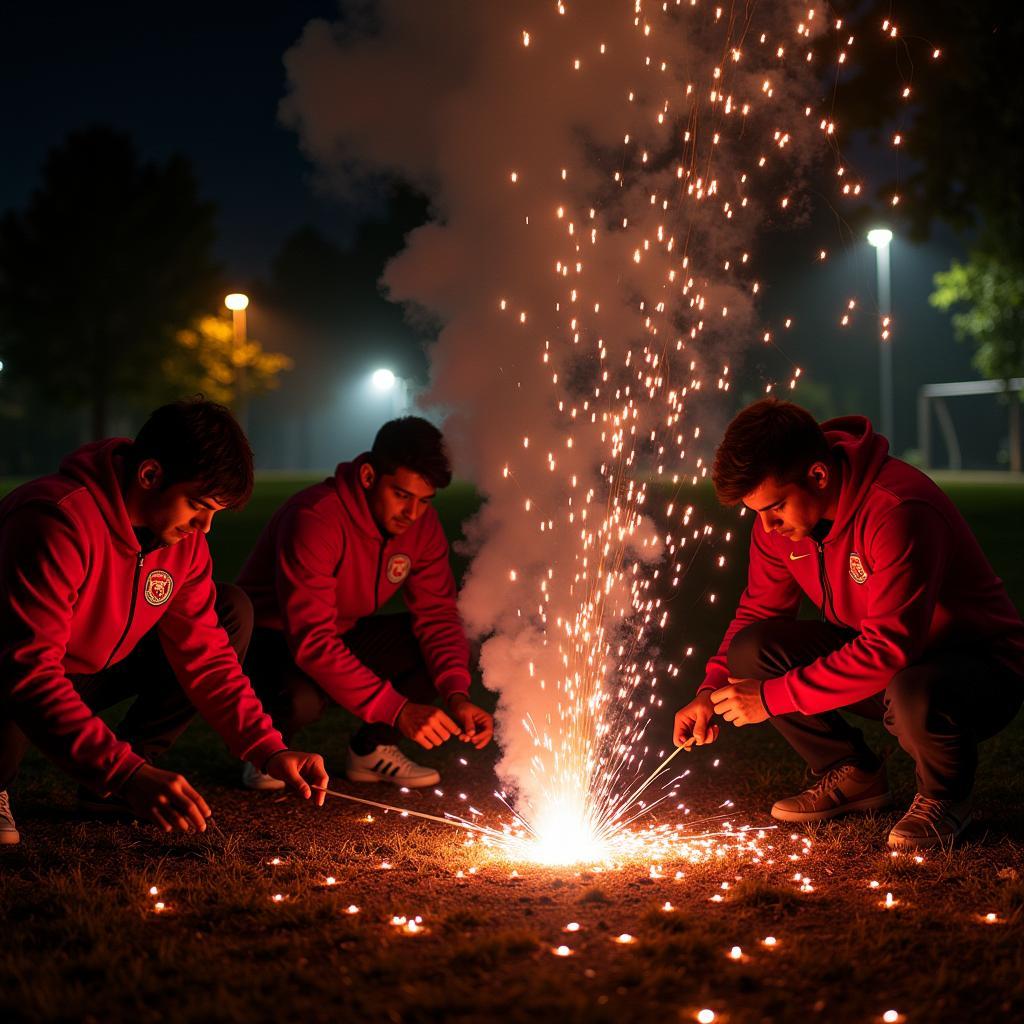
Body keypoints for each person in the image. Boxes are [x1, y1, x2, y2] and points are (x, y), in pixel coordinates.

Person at [672, 399, 1024, 850]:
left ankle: (944, 797)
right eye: (756, 512)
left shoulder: (898, 508)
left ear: (818, 475)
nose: (766, 525)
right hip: (890, 658)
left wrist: (772, 698)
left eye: (775, 507)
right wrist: (711, 688)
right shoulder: (778, 528)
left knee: (912, 690)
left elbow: (889, 650)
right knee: (751, 650)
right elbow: (760, 611)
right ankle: (853, 774)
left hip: (980, 668)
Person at [0, 399, 328, 847]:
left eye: (216, 512)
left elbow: (208, 660)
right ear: (150, 475)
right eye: (198, 505)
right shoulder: (54, 519)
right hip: (14, 674)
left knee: (229, 609)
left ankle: (114, 786)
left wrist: (269, 749)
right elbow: (29, 673)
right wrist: (126, 773)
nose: (206, 527)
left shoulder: (184, 545)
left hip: (85, 670)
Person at [237, 416, 493, 791]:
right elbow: (311, 641)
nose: (413, 513)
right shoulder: (315, 517)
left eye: (424, 501)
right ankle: (266, 751)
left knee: (452, 643)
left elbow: (438, 615)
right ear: (369, 477)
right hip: (268, 641)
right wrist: (399, 710)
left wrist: (456, 695)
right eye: (402, 495)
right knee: (300, 700)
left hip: (340, 633)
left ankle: (372, 751)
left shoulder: (421, 525)